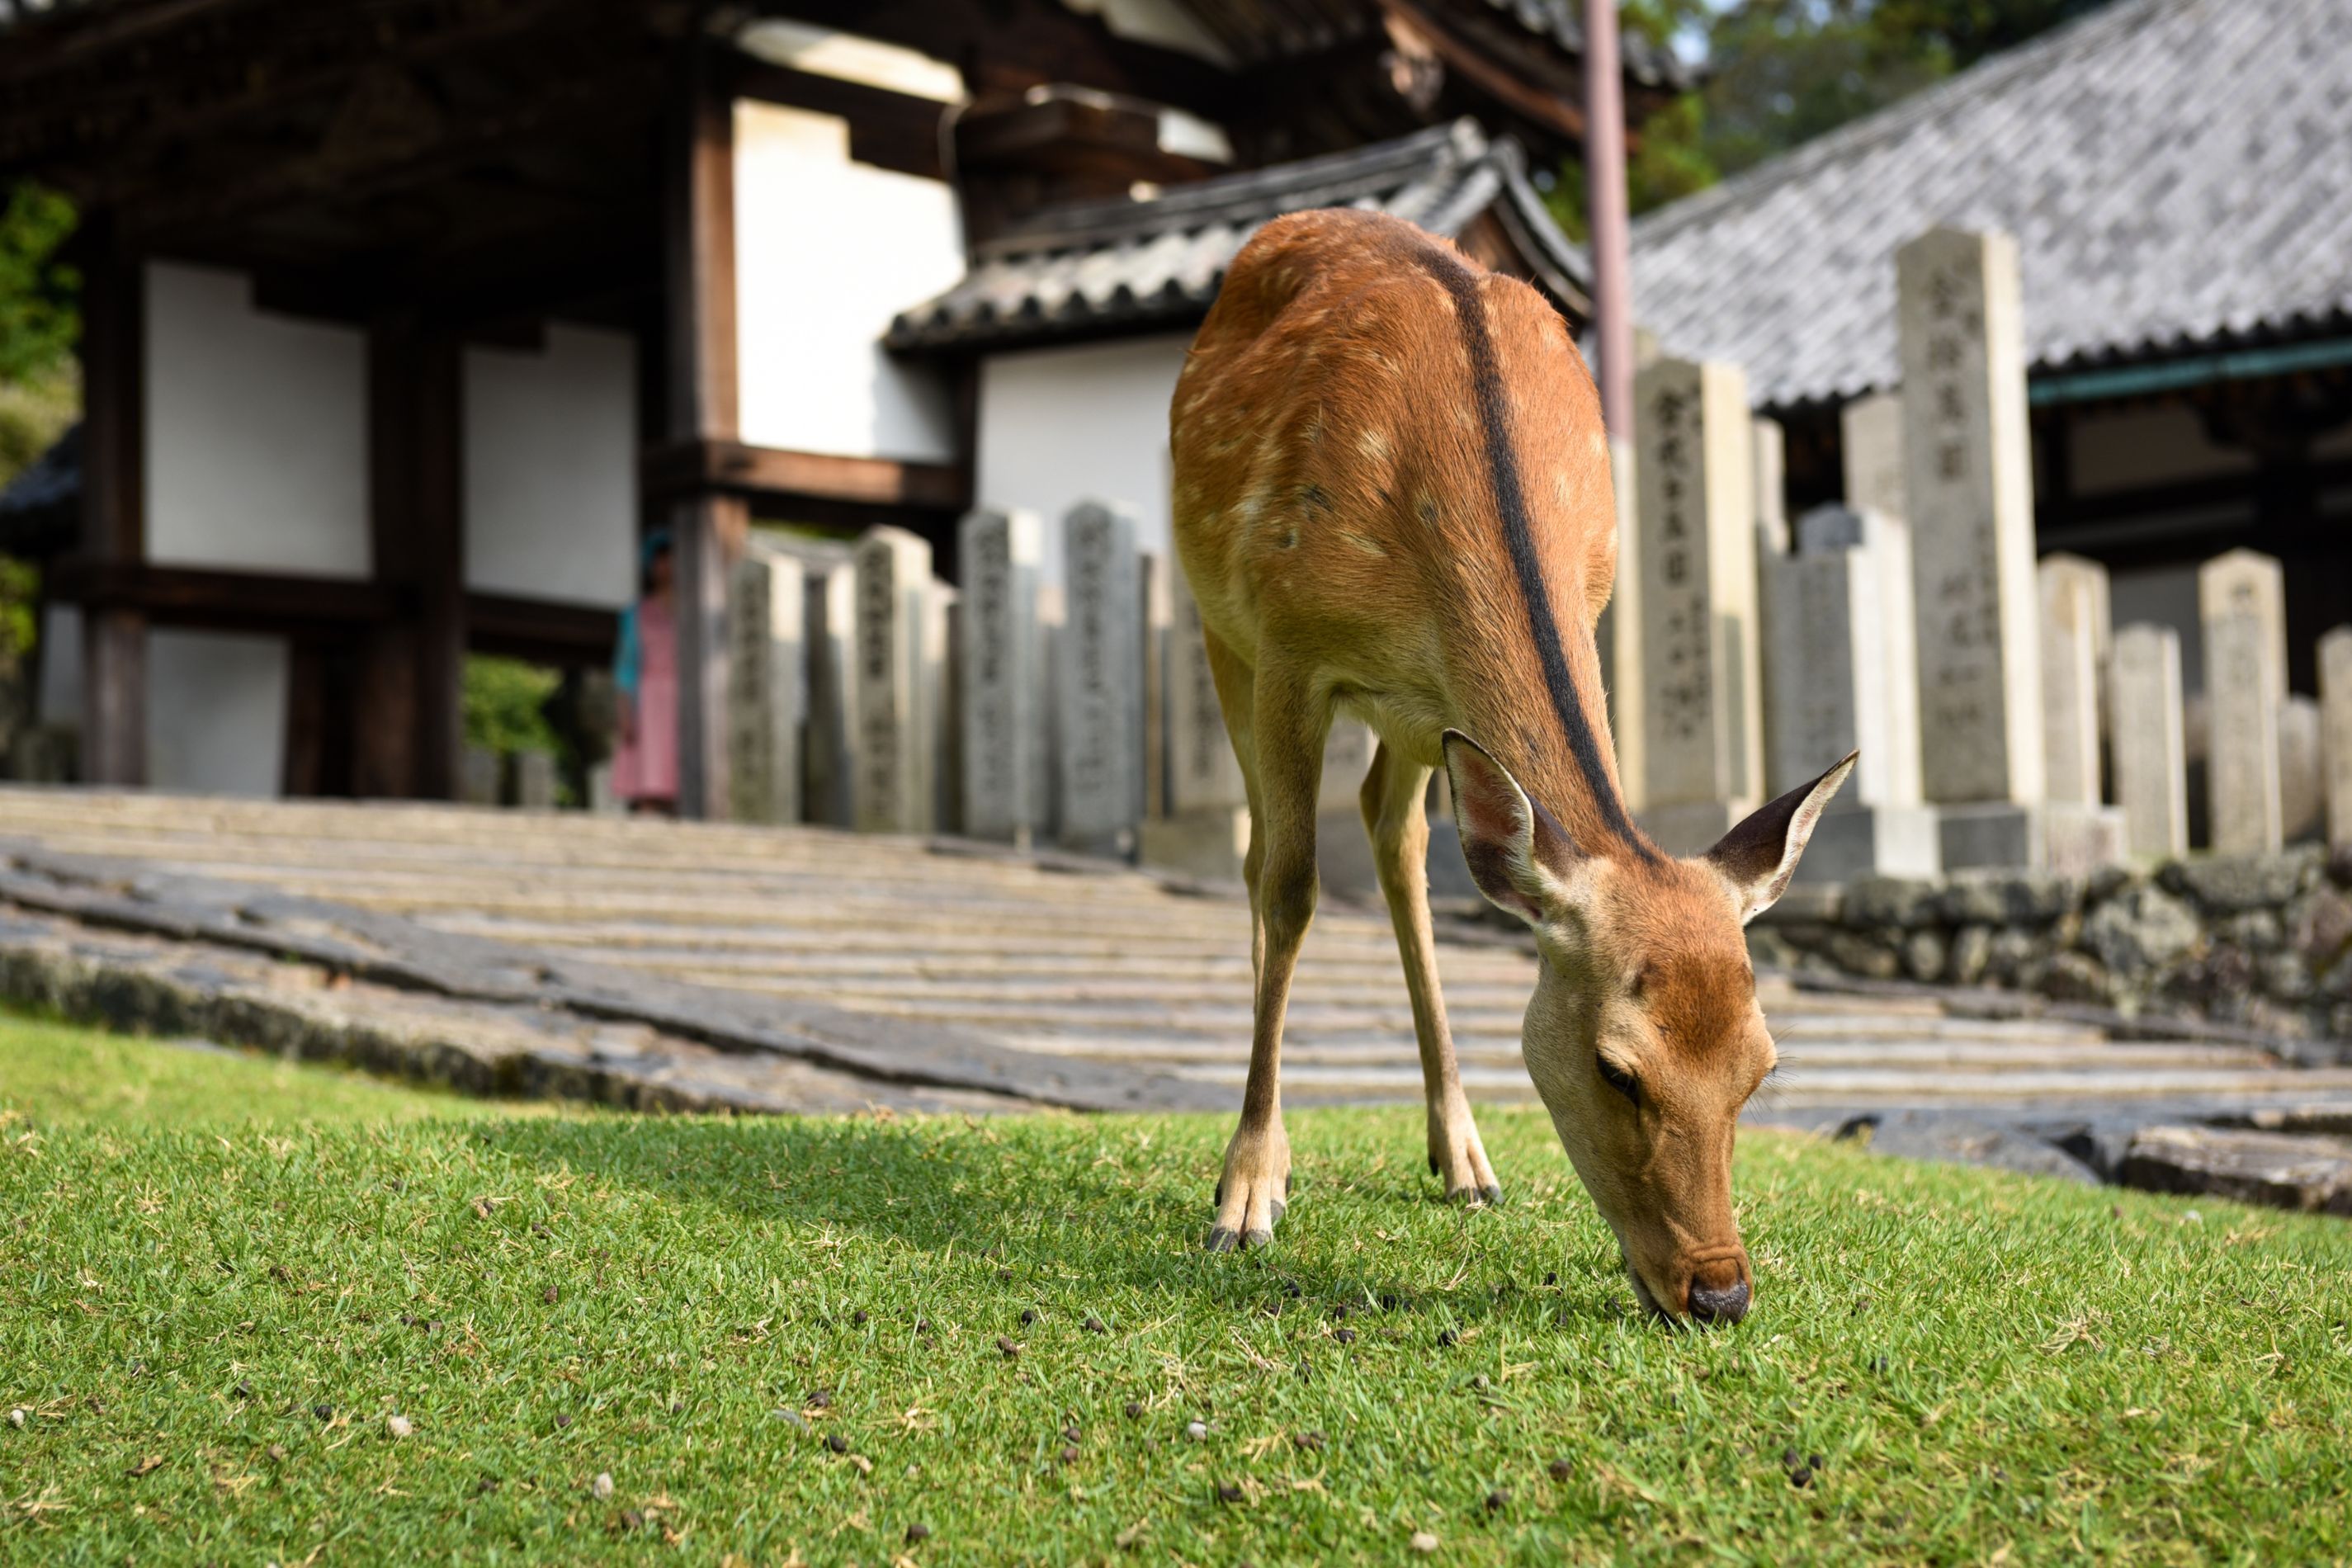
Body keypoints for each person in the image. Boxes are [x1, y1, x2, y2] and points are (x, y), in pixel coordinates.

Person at [611, 531, 678, 815]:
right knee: (647, 782)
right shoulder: (636, 613)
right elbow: (625, 666)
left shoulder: (694, 610)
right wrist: (625, 710)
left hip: (684, 700)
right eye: (660, 561)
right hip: (648, 700)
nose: (666, 567)